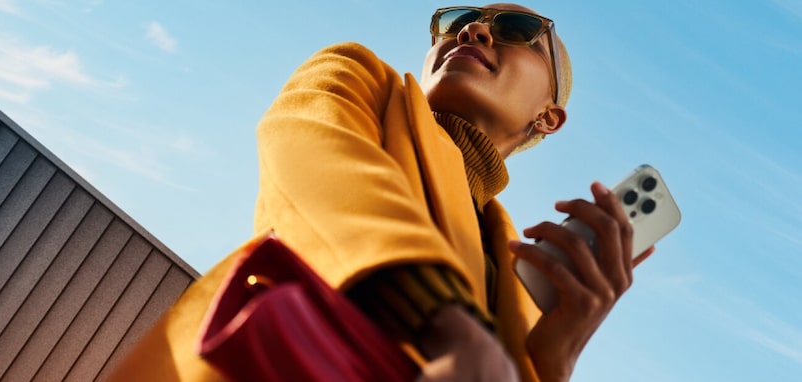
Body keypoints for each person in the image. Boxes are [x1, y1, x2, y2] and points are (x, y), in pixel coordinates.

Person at [109, 3, 653, 381]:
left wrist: (553, 362)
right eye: (460, 21)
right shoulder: (362, 80)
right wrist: (448, 323)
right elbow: (325, 167)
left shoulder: (515, 271)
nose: (473, 32)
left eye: (515, 28)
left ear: (549, 117)